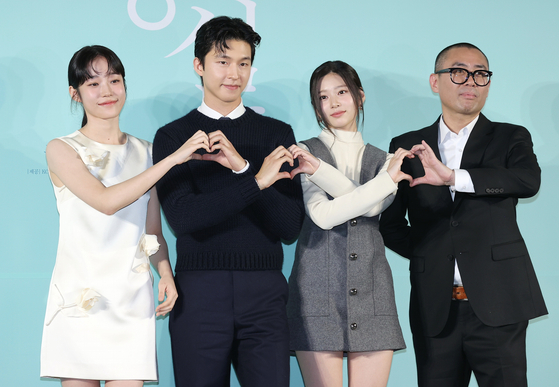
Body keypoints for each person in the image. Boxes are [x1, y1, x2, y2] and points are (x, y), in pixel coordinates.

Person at [40, 45, 211, 387]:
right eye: (93, 84)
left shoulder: (146, 151)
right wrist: (172, 159)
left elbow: (152, 232)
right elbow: (105, 201)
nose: (107, 91)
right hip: (79, 298)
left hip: (131, 297)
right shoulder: (61, 149)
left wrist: (164, 272)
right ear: (75, 94)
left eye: (114, 80)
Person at [379, 43, 548, 387]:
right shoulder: (408, 144)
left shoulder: (510, 137)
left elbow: (526, 181)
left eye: (480, 73)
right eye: (458, 72)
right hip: (435, 306)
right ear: (435, 81)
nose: (470, 81)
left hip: (499, 303)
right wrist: (433, 252)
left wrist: (453, 178)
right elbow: (391, 224)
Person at [152, 16, 304, 387]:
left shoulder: (276, 133)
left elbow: (288, 227)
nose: (234, 73)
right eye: (222, 61)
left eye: (244, 62)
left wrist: (241, 167)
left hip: (266, 294)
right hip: (199, 293)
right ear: (198, 66)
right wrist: (255, 180)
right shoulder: (173, 137)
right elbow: (184, 218)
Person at [286, 61, 410, 387]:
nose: (335, 103)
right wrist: (384, 182)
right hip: (315, 293)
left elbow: (374, 209)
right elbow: (323, 215)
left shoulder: (386, 160)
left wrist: (321, 172)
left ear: (360, 96)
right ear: (317, 106)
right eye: (324, 97)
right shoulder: (304, 151)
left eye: (342, 92)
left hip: (373, 293)